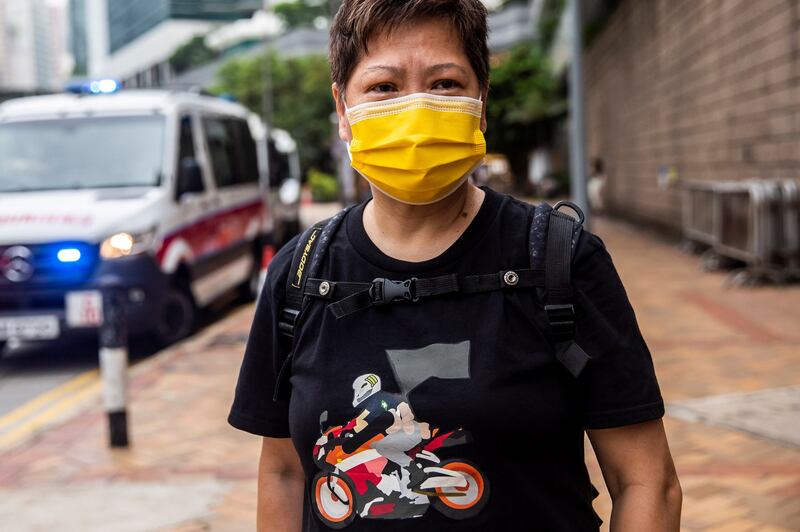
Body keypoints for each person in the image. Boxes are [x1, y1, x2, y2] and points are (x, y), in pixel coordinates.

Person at [229, 0, 682, 530]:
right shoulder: (300, 274)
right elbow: (283, 473)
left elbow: (647, 482)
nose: (416, 109)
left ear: (481, 102)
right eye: (384, 87)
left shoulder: (562, 259)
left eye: (445, 83)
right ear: (343, 108)